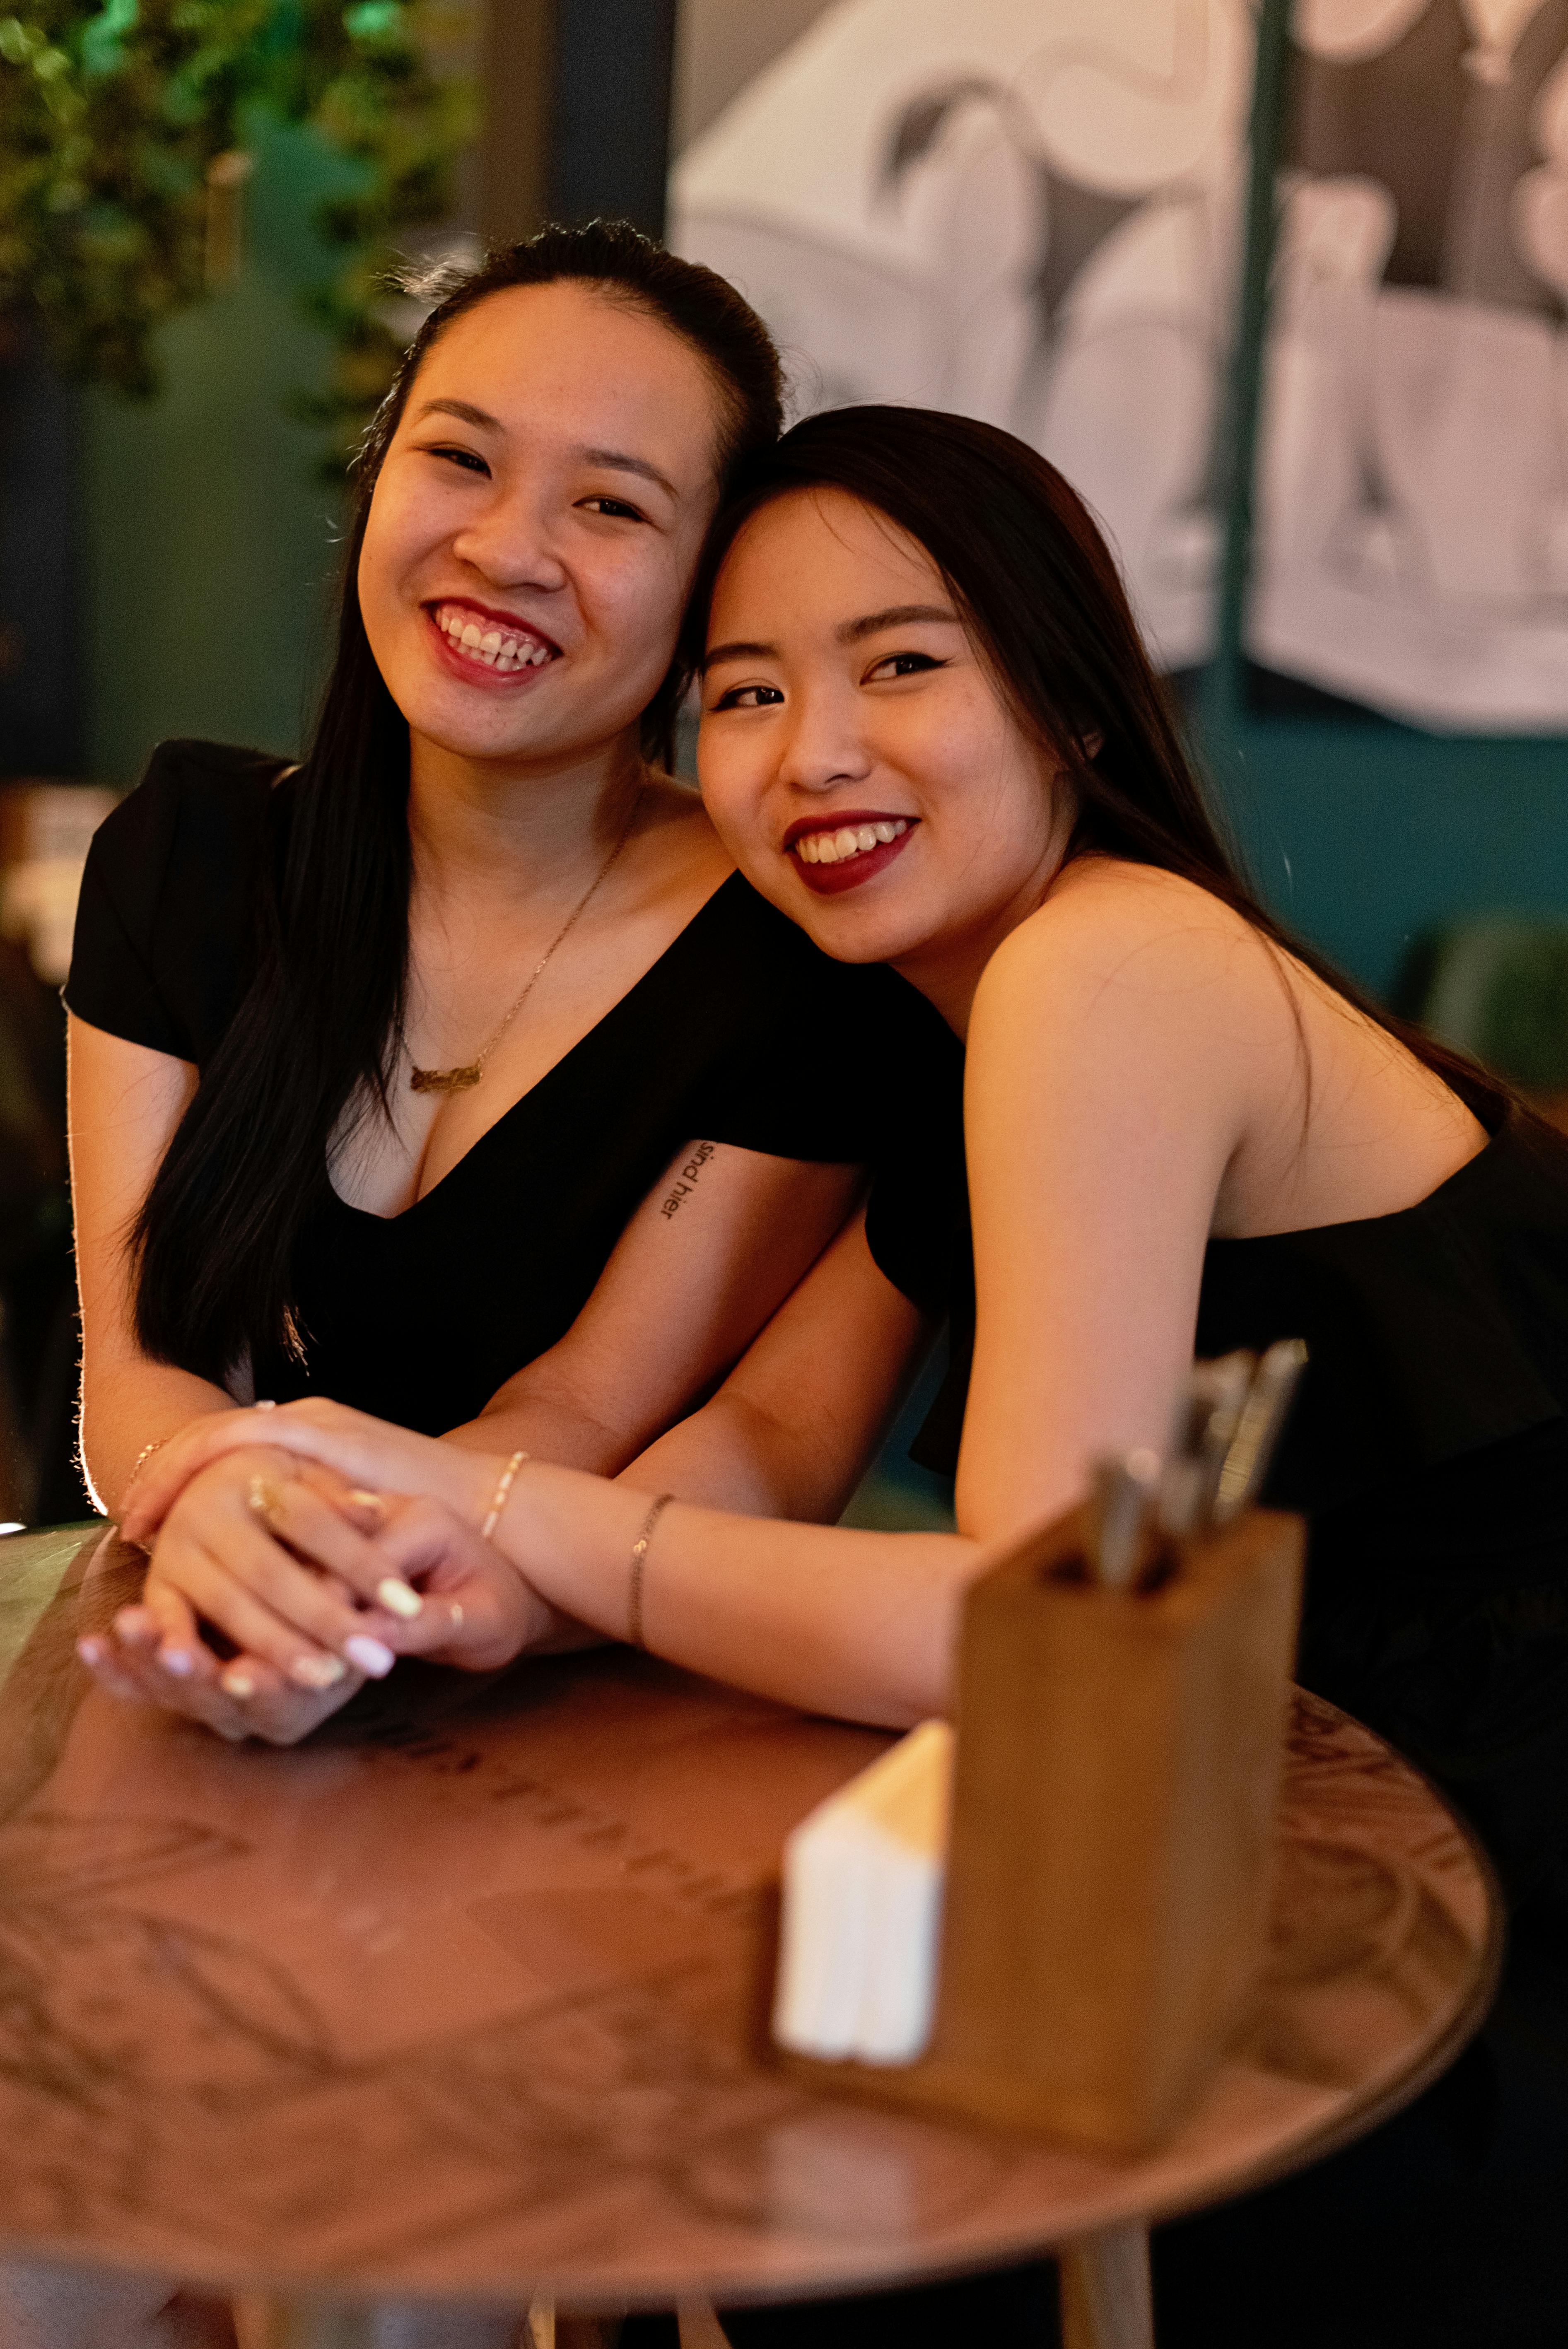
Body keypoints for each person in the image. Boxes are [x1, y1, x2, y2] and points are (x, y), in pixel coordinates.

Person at [128, 403, 1568, 2348]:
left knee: (790, 2192)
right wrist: (473, 1582)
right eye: (740, 693)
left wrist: (512, 1513)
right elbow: (766, 1434)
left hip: (1467, 1889)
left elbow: (1034, 1622)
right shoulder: (955, 1015)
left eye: (900, 664)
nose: (810, 755)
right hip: (1261, 1789)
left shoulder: (1104, 970)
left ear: (1064, 700)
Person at [66, 232, 955, 1757]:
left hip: (563, 1700)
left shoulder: (793, 960)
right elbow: (140, 1361)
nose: (506, 546)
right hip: (186, 1635)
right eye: (458, 460)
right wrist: (220, 1492)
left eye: (609, 505)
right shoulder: (189, 853)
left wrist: (359, 1588)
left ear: (706, 595)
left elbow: (584, 1411)